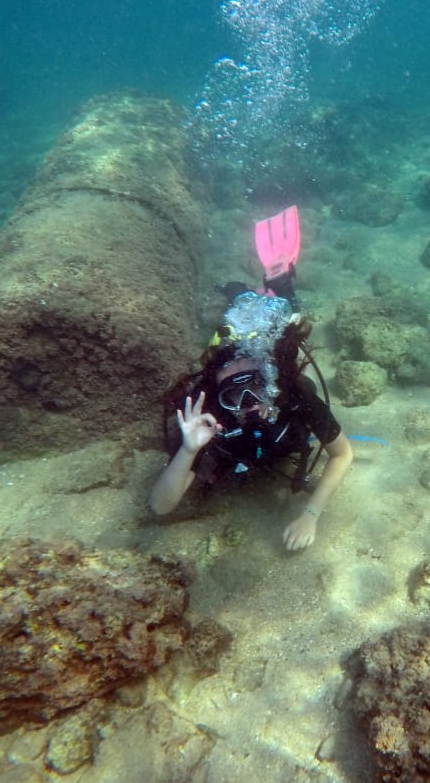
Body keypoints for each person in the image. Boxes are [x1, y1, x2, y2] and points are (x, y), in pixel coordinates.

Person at [149, 208, 352, 550]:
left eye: (256, 388)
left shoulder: (293, 396)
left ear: (269, 381)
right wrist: (187, 451)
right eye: (233, 395)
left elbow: (343, 455)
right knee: (227, 333)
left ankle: (278, 288)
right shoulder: (211, 419)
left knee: (288, 326)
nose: (248, 405)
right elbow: (160, 505)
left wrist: (311, 514)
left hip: (269, 353)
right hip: (232, 350)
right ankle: (242, 296)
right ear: (219, 397)